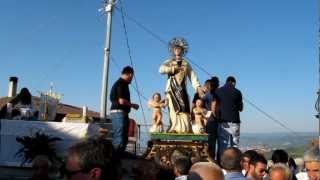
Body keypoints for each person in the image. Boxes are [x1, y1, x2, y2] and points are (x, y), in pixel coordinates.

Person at [159, 37, 203, 133]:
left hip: (182, 88)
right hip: (172, 89)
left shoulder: (186, 63)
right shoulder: (169, 62)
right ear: (173, 51)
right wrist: (172, 69)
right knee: (173, 109)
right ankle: (174, 127)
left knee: (184, 107)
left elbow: (192, 76)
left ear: (182, 51)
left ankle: (184, 128)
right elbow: (161, 69)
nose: (177, 50)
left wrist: (198, 87)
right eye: (175, 49)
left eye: (179, 49)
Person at [110, 66, 139, 157]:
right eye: (132, 77)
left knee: (123, 138)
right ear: (130, 74)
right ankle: (115, 161)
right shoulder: (121, 83)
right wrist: (133, 105)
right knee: (119, 138)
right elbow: (121, 100)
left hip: (121, 113)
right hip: (118, 113)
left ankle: (119, 159)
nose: (132, 79)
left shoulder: (122, 84)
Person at [216, 76, 243, 158]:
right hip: (235, 122)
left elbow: (214, 105)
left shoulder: (218, 91)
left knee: (222, 146)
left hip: (223, 122)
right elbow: (241, 108)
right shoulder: (237, 92)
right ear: (233, 82)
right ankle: (234, 165)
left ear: (226, 81)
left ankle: (221, 165)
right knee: (235, 145)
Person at [202, 77, 220, 162]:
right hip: (214, 120)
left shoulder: (206, 95)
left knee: (210, 142)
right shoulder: (213, 94)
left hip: (209, 120)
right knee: (214, 142)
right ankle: (214, 160)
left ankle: (210, 160)